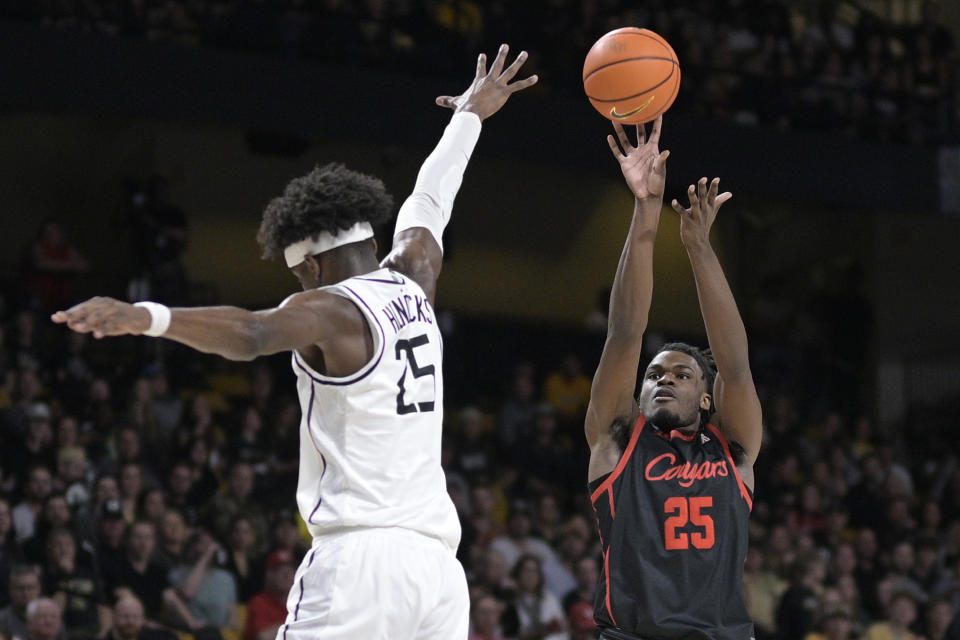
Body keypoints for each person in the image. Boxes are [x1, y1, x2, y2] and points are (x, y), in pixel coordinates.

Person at [52, 44, 537, 639]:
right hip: (439, 573)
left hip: (361, 565)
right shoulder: (416, 272)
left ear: (308, 267)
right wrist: (469, 116)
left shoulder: (329, 308)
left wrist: (145, 316)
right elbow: (431, 197)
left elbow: (254, 333)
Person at [583, 116, 763, 639]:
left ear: (708, 399)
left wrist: (699, 247)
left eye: (682, 374)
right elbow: (624, 332)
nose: (663, 379)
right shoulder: (618, 441)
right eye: (654, 374)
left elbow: (735, 364)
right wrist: (645, 209)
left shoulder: (734, 449)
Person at [243, 550, 296, 640]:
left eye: (290, 569)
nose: (286, 574)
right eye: (279, 569)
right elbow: (263, 637)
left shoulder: (300, 603)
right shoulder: (259, 603)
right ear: (269, 575)